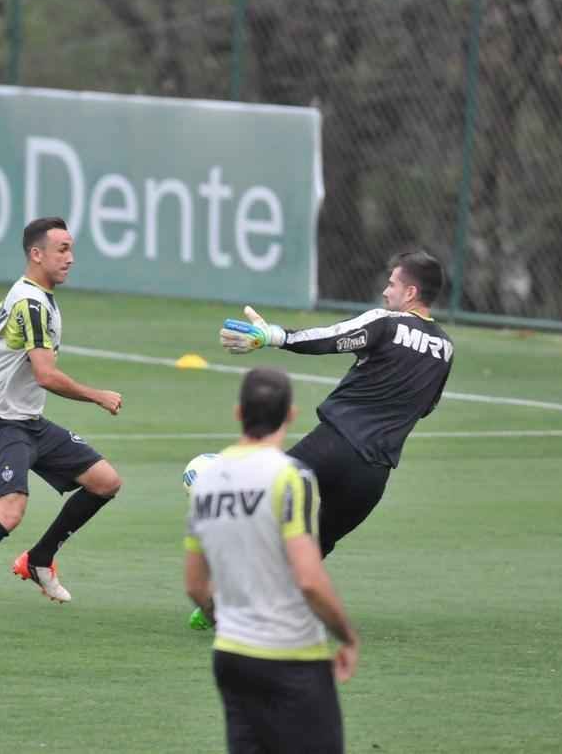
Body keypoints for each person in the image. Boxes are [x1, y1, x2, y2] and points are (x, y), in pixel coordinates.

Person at [0, 217, 124, 622]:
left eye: (71, 249)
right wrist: (97, 396)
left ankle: (39, 559)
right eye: (62, 249)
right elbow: (46, 376)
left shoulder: (25, 292)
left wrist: (1, 363)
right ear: (37, 254)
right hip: (3, 425)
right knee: (10, 512)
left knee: (105, 482)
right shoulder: (31, 304)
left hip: (30, 423)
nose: (71, 258)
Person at [217, 250, 454, 558]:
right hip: (372, 477)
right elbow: (426, 407)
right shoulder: (446, 348)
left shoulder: (386, 323)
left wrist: (274, 336)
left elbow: (330, 338)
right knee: (307, 553)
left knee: (255, 508)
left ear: (410, 293)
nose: (385, 290)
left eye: (392, 284)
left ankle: (212, 596)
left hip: (331, 447)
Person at [184, 367, 358, 754]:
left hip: (231, 656)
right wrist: (346, 636)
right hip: (291, 656)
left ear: (237, 412)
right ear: (291, 415)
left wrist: (224, 621)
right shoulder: (291, 476)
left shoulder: (206, 482)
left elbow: (195, 585)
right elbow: (310, 580)